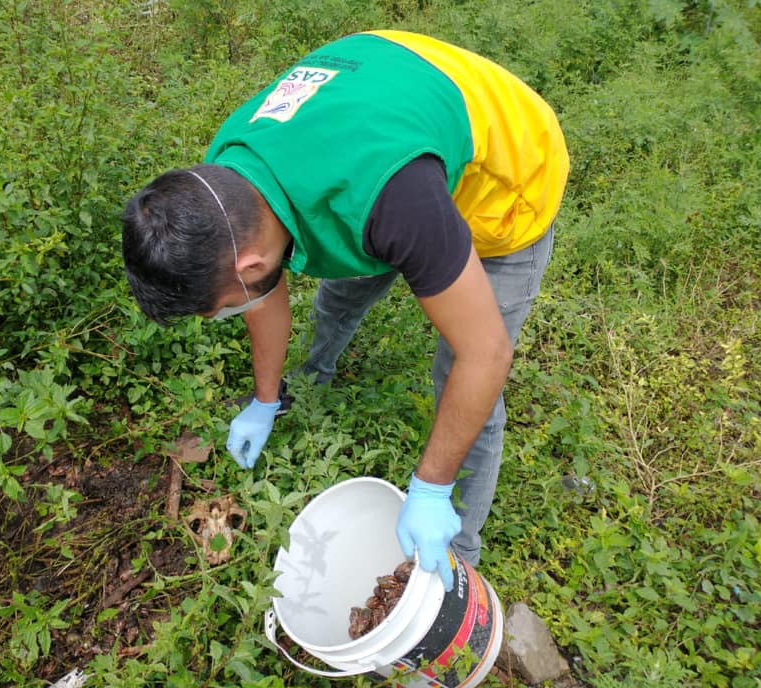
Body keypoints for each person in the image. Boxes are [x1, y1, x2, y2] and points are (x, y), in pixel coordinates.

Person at [122, 29, 569, 591]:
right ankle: (313, 379)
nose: (221, 316)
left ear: (251, 265)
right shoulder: (224, 182)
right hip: (391, 94)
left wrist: (429, 487)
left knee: (461, 363)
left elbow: (487, 354)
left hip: (510, 167)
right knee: (343, 287)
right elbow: (263, 288)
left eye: (217, 310)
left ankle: (455, 560)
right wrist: (265, 400)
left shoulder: (395, 200)